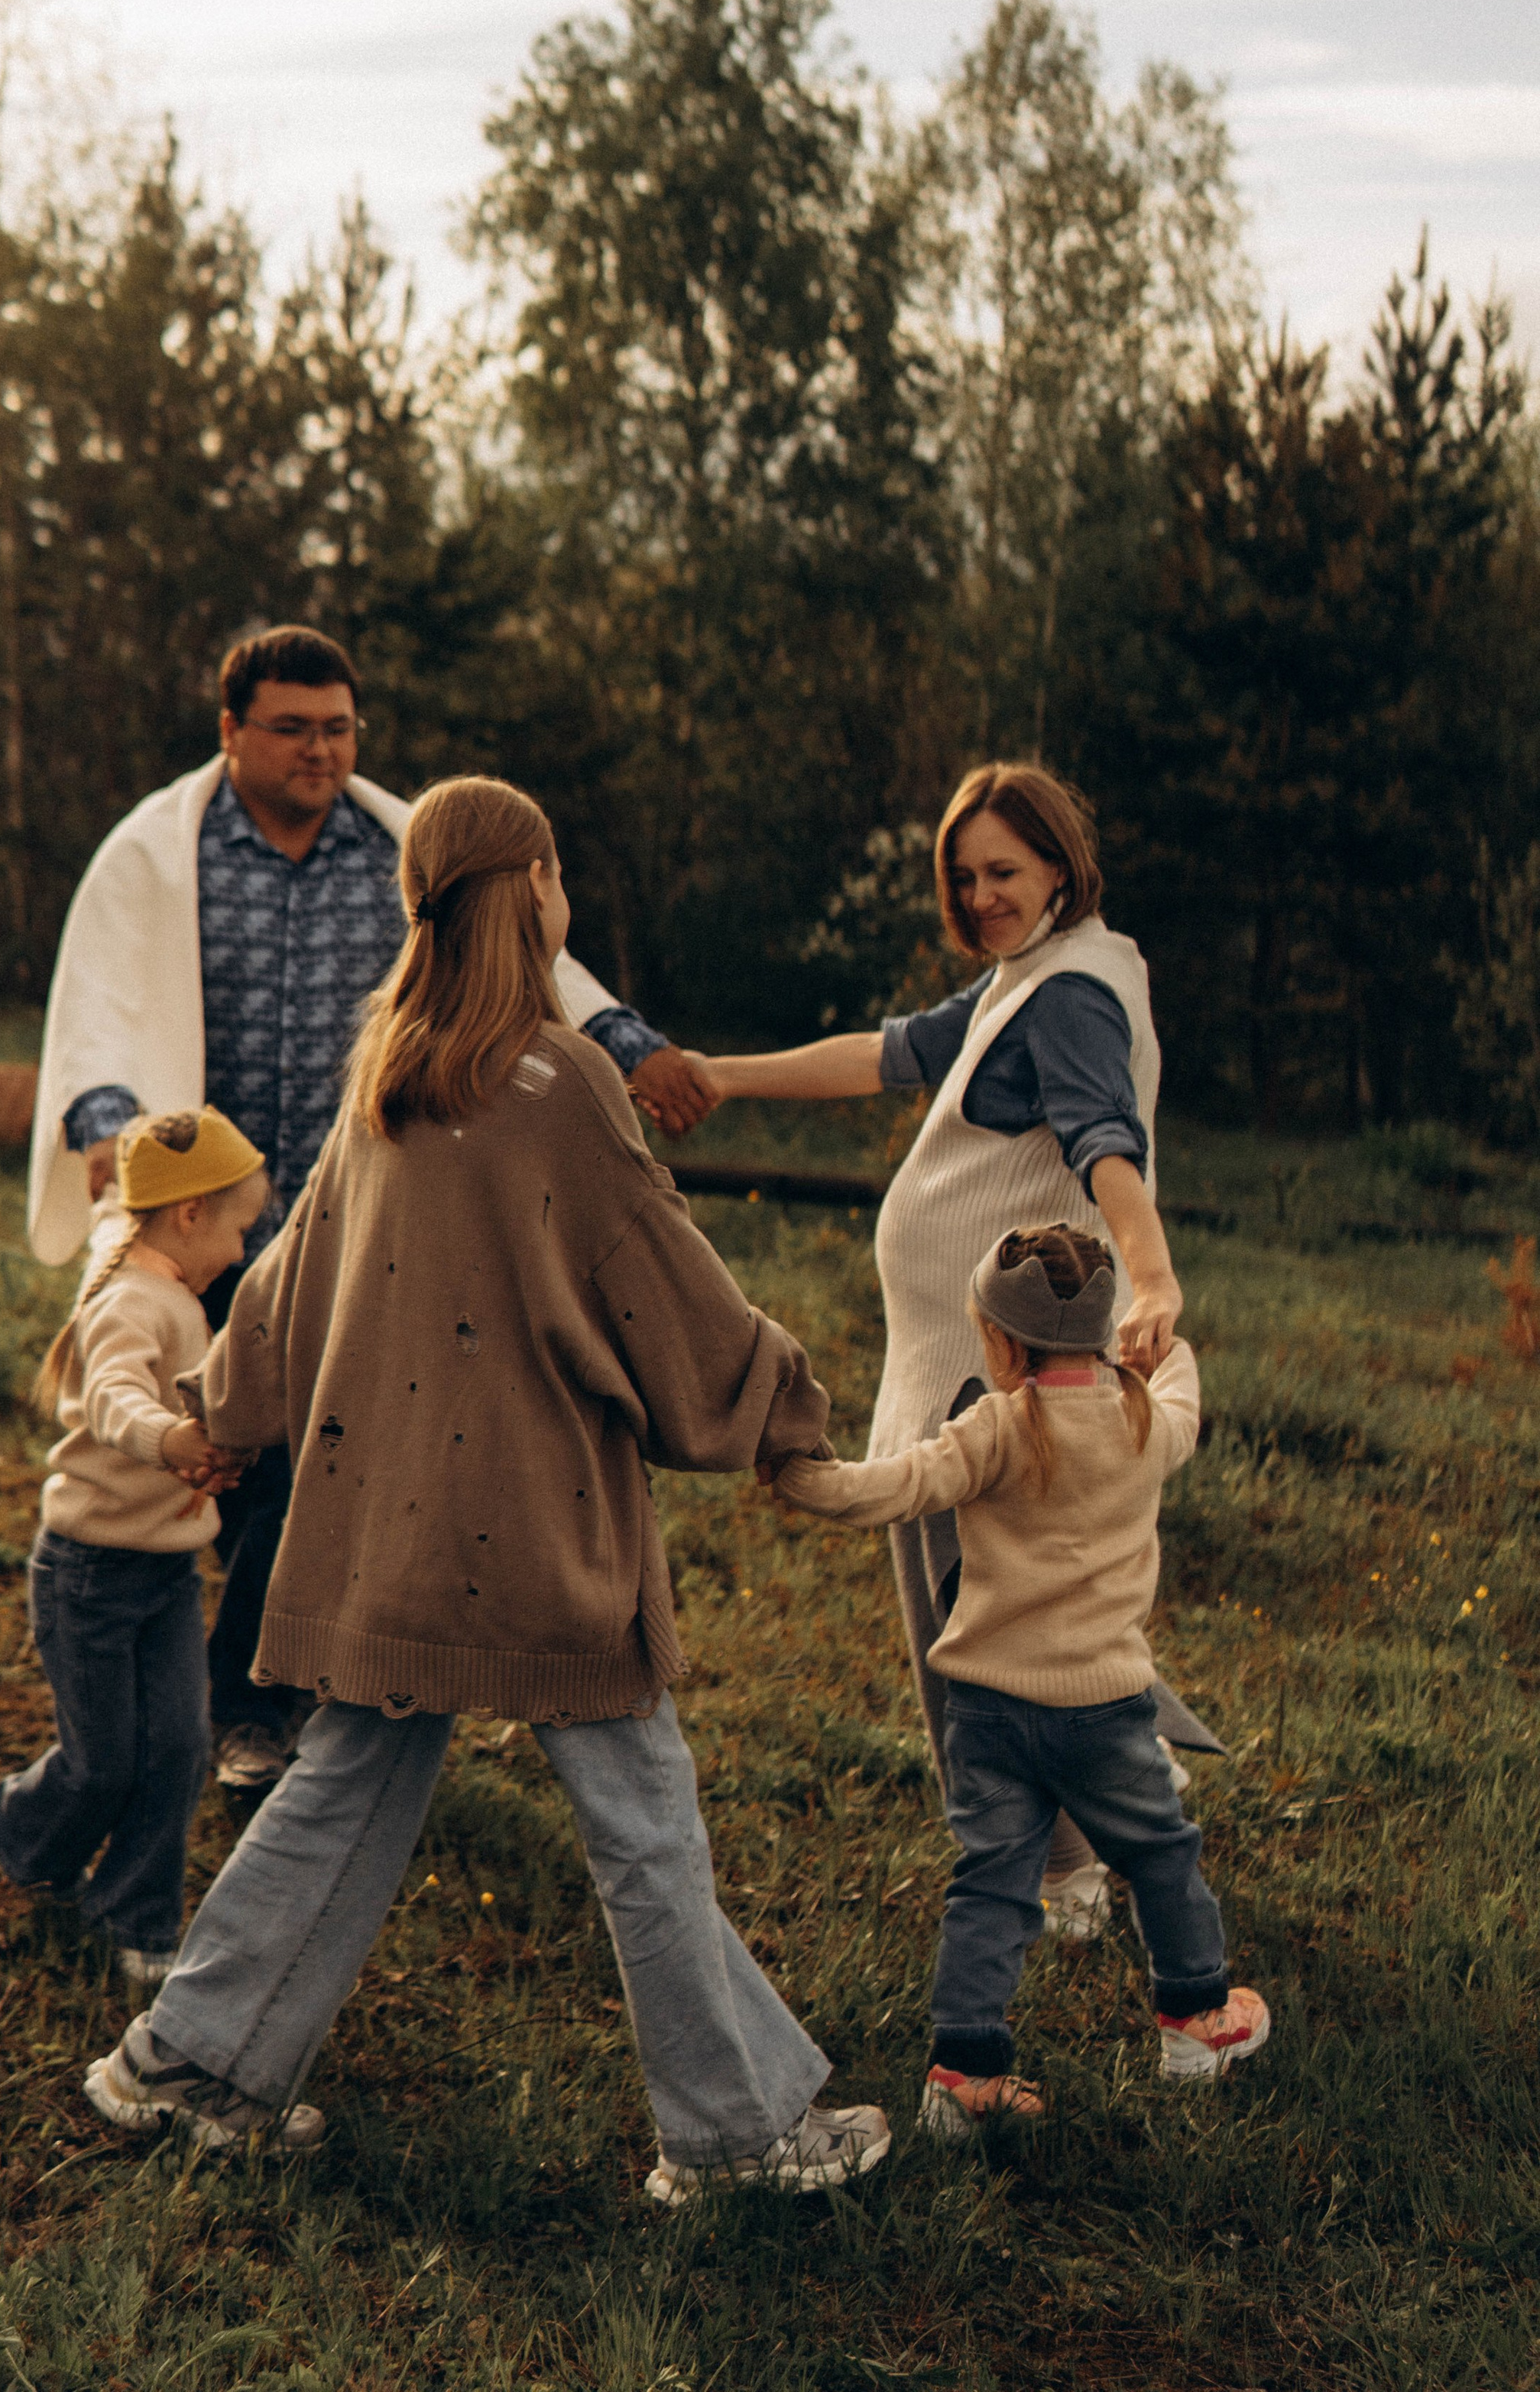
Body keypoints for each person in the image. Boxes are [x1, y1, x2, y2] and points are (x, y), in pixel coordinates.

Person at [81, 776, 891, 2203]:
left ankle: (187, 2066)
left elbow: (285, 1283)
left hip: (385, 1532)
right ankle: (737, 2136)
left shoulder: (386, 1070)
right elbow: (663, 1279)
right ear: (532, 894)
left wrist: (223, 1417)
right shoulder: (561, 1080)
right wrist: (780, 1409)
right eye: (559, 870)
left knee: (343, 1782)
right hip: (537, 1540)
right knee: (643, 1821)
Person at [26, 624, 717, 1792]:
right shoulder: (159, 856)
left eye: (338, 729)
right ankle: (139, 1705)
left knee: (309, 1458)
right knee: (198, 1451)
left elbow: (524, 958)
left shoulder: (393, 851)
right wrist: (107, 1127)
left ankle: (254, 1708)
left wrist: (633, 1047)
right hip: (205, 1227)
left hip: (359, 1223)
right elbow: (102, 1005)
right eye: (291, 728)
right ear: (232, 732)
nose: (319, 750)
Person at [690, 760, 1217, 1939]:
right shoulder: (1027, 979)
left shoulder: (1068, 993)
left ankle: (1067, 1869)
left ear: (1061, 866)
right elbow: (883, 1055)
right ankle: (1118, 1805)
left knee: (970, 1636)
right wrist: (724, 1078)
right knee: (1017, 1608)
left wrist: (1159, 1266)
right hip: (968, 1352)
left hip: (993, 1368)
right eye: (965, 875)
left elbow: (1104, 1143)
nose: (981, 895)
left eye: (1005, 873)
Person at [773, 1223, 1268, 2132]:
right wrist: (1171, 1344)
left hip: (989, 1710)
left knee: (993, 1885)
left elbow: (894, 1487)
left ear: (1000, 1343)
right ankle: (1197, 2020)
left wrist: (804, 1479)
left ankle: (962, 2078)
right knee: (1159, 1856)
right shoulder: (1142, 1421)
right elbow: (1186, 1409)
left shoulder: (996, 1426)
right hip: (1106, 1713)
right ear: (1104, 1335)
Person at [0, 1108, 268, 1992]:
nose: (243, 1250)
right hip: (89, 1572)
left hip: (165, 1571)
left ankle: (134, 1916)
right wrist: (170, 1443)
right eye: (239, 1228)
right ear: (187, 1217)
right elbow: (112, 1400)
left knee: (177, 1748)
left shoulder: (165, 1285)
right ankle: (17, 1827)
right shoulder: (134, 1301)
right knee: (104, 1763)